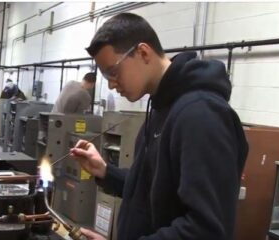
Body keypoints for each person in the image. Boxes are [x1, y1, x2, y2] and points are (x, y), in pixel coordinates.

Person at [70, 13, 249, 240]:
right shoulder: (161, 107)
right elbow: (154, 194)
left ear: (143, 52)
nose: (111, 84)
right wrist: (105, 171)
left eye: (113, 72)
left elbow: (206, 229)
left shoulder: (201, 115)